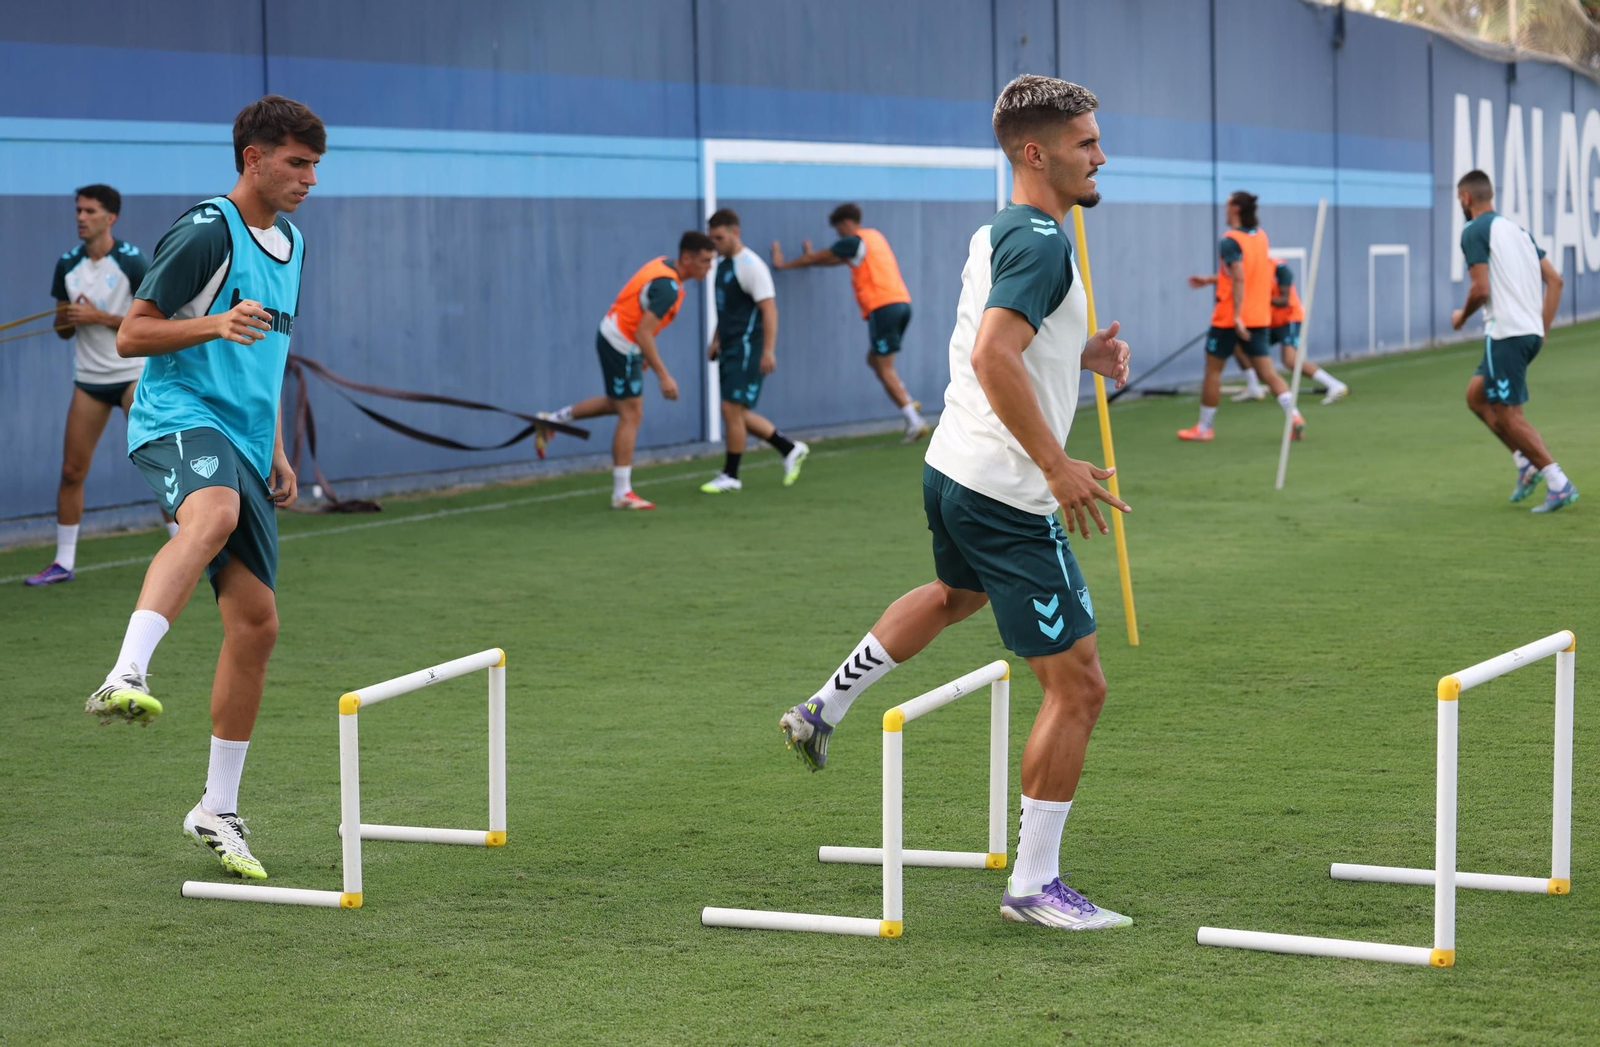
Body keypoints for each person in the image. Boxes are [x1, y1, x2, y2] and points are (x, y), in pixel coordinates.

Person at [779, 74, 1134, 931]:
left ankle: (822, 707)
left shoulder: (1003, 231)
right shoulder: (1044, 242)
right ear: (1035, 152)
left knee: (954, 597)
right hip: (1007, 490)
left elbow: (1008, 339)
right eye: (1086, 142)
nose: (1101, 154)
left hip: (953, 468)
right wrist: (1054, 466)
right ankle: (1034, 885)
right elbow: (991, 355)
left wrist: (1075, 352)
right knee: (1080, 687)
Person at [87, 95, 324, 884]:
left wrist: (279, 447)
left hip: (247, 441)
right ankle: (126, 672)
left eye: (315, 164)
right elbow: (132, 333)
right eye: (297, 162)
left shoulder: (292, 241)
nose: (309, 178)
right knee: (214, 511)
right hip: (176, 417)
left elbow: (269, 354)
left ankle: (216, 806)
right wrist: (214, 324)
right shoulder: (205, 230)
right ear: (252, 158)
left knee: (257, 624)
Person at [26, 185, 173, 586]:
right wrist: (71, 318)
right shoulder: (67, 265)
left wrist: (102, 317)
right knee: (72, 470)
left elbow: (153, 324)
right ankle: (63, 562)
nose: (80, 217)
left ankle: (184, 550)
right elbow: (61, 330)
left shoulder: (132, 261)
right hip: (89, 381)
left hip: (133, 375)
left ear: (110, 218)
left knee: (160, 467)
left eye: (89, 211)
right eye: (78, 210)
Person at [537, 233, 716, 509]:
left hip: (619, 337)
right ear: (687, 258)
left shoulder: (664, 267)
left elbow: (640, 318)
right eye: (705, 261)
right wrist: (663, 375)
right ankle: (621, 493)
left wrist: (641, 354)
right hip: (620, 342)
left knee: (617, 404)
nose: (709, 267)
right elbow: (643, 333)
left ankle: (553, 420)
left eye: (711, 260)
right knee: (631, 412)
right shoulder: (667, 286)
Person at [1453, 169, 1575, 513]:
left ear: (1465, 198)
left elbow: (1481, 289)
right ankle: (1525, 464)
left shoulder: (1474, 230)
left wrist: (1460, 319)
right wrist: (1542, 330)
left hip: (1506, 333)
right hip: (1526, 332)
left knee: (1508, 416)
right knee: (1476, 397)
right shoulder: (1517, 231)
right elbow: (1555, 281)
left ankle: (1557, 481)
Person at [770, 204, 929, 442]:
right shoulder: (874, 237)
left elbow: (820, 257)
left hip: (882, 306)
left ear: (845, 223)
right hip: (902, 304)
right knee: (875, 360)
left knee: (883, 366)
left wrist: (785, 264)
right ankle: (906, 399)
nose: (838, 235)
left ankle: (914, 420)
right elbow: (830, 260)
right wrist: (811, 257)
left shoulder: (854, 240)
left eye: (838, 229)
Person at [1178, 191, 1304, 442]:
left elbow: (1238, 277)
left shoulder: (1229, 241)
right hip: (1259, 316)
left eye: (1227, 205)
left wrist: (1236, 317)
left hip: (1229, 318)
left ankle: (1204, 428)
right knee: (1268, 373)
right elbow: (1247, 274)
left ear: (1235, 208)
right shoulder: (1260, 237)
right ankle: (1295, 416)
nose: (1224, 210)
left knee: (1213, 371)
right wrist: (1210, 280)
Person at [701, 209, 808, 493]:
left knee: (731, 409)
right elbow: (726, 310)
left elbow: (769, 310)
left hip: (748, 347)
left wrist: (768, 351)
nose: (715, 243)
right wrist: (716, 339)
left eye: (719, 237)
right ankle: (789, 448)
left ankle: (731, 474)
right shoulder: (722, 264)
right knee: (736, 412)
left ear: (735, 232)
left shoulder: (751, 266)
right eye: (711, 238)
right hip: (730, 346)